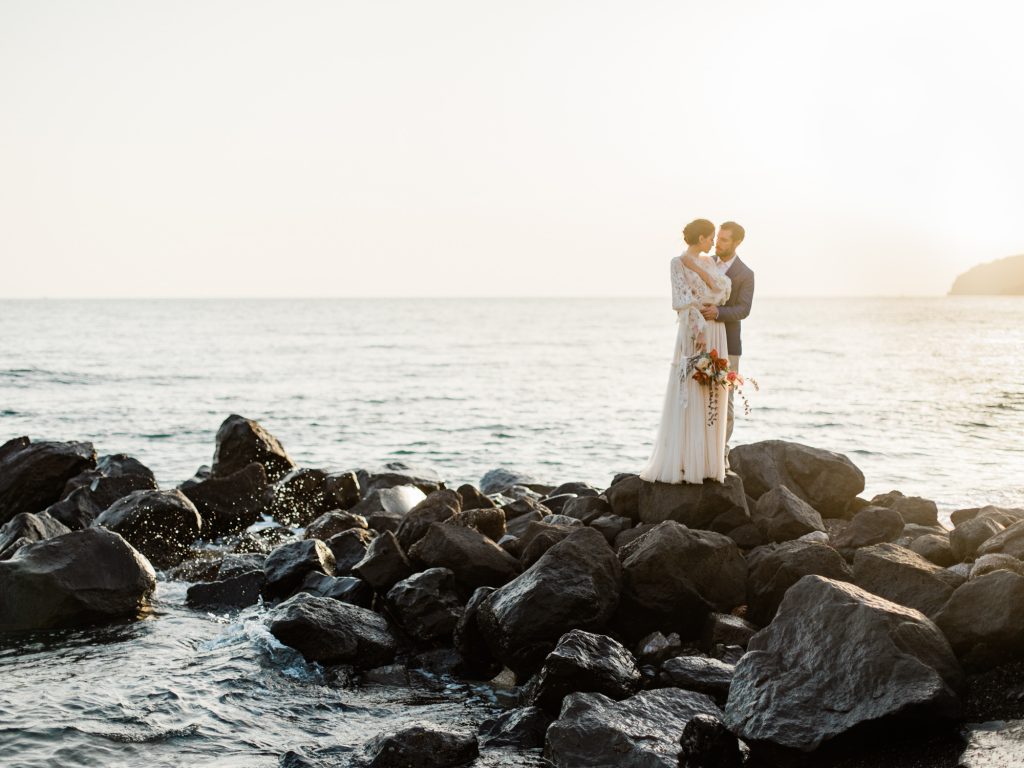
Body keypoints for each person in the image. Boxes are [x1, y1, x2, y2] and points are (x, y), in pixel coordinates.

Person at [639, 219, 731, 484]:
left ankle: (707, 462)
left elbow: (722, 291)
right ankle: (685, 461)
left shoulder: (709, 262)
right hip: (694, 329)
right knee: (690, 388)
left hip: (715, 329)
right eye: (710, 237)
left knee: (712, 388)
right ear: (701, 238)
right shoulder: (676, 263)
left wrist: (699, 269)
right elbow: (681, 301)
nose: (713, 242)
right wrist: (698, 328)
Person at [700, 221, 754, 454]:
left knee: (726, 399)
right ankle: (699, 450)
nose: (717, 244)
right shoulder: (705, 263)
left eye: (724, 240)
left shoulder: (746, 274)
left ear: (737, 242)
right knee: (698, 396)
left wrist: (718, 312)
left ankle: (720, 452)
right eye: (717, 238)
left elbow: (744, 309)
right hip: (702, 340)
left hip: (729, 344)